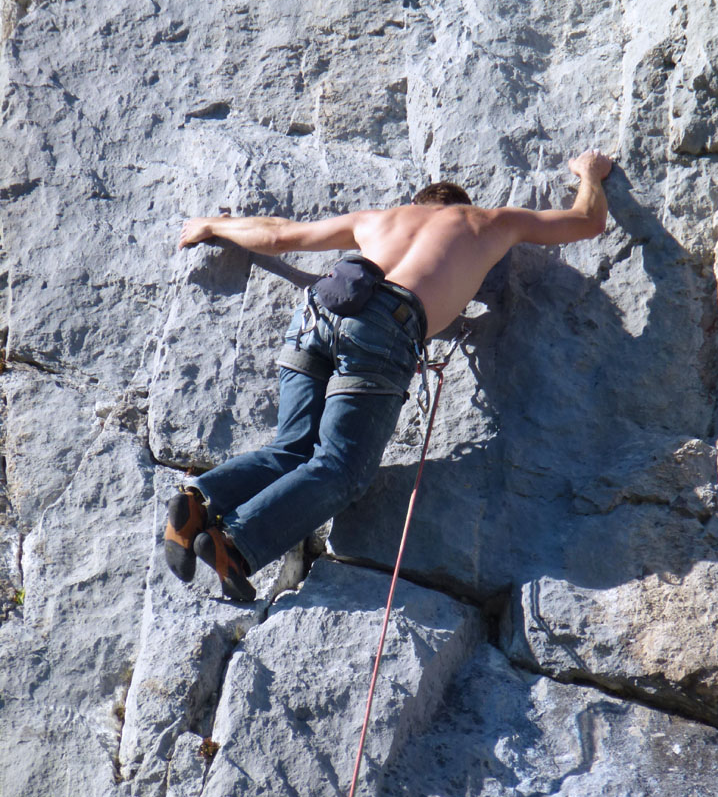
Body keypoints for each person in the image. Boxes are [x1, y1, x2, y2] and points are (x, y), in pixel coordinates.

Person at [165, 149, 613, 600]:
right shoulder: (491, 221)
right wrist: (590, 174)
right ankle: (235, 545)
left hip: (320, 307)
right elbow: (587, 220)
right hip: (385, 329)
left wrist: (213, 225)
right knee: (342, 469)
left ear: (419, 205)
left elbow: (281, 236)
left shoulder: (377, 220)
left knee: (292, 447)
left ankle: (198, 500)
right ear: (460, 204)